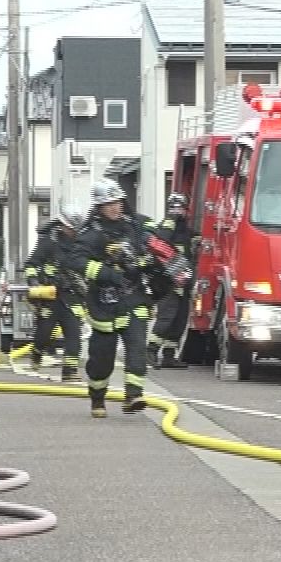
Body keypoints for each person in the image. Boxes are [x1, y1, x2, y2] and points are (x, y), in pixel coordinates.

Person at [77, 177, 154, 417]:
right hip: (104, 303)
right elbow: (75, 260)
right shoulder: (91, 234)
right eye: (109, 203)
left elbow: (153, 247)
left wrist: (147, 261)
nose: (115, 207)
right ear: (99, 206)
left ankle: (133, 395)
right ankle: (97, 397)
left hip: (134, 297)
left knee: (137, 348)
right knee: (102, 358)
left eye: (118, 201)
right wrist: (105, 272)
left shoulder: (136, 226)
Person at [20, 200, 90, 383]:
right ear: (63, 225)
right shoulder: (48, 241)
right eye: (71, 228)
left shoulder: (82, 243)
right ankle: (37, 352)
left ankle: (69, 370)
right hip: (50, 295)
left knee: (73, 332)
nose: (74, 232)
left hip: (73, 295)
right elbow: (31, 264)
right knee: (45, 332)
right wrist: (34, 282)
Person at [146, 189, 195, 370]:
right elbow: (161, 248)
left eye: (181, 208)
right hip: (169, 281)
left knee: (179, 320)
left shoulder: (185, 230)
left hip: (183, 281)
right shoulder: (167, 226)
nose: (178, 211)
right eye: (175, 208)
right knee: (166, 318)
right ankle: (150, 351)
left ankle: (169, 356)